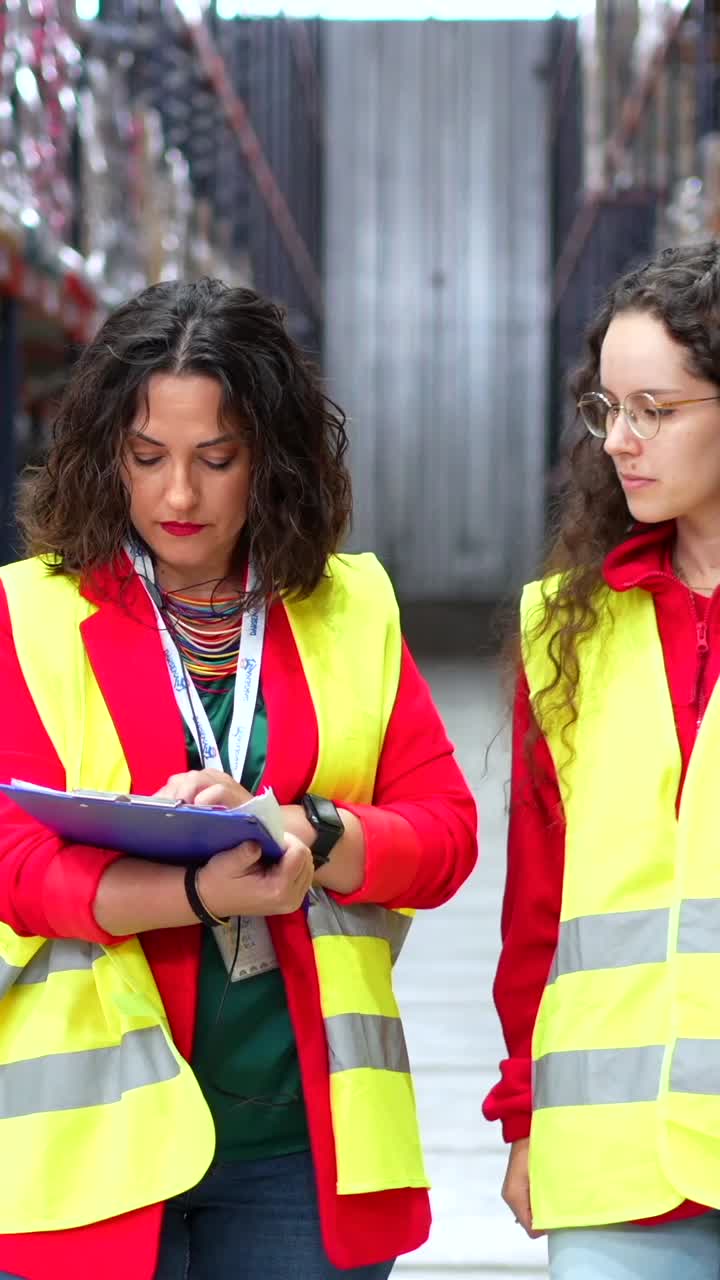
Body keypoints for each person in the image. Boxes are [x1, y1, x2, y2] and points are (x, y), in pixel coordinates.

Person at [0, 278, 478, 1280]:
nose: (180, 495)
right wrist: (186, 891)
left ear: (273, 459)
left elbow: (442, 832)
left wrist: (312, 829)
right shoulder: (31, 615)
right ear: (104, 457)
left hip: (301, 1144)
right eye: (148, 459)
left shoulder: (352, 607)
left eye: (217, 460)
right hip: (94, 1152)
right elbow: (15, 859)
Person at [483, 240, 720, 1279]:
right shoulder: (564, 631)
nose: (620, 440)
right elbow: (538, 907)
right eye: (605, 408)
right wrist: (526, 1118)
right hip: (615, 1156)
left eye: (655, 409)